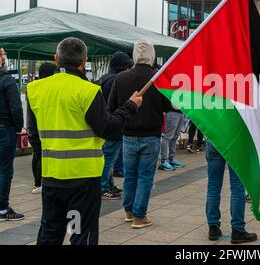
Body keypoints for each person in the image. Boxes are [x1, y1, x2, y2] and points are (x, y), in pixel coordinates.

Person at [27, 38, 142, 245]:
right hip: (82, 178)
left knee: (50, 231)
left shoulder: (35, 89)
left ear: (56, 59)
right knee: (79, 232)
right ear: (84, 61)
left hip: (51, 175)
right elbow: (106, 128)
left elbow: (33, 134)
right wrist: (130, 106)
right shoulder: (87, 91)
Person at [109, 40, 172, 229]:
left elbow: (112, 107)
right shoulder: (158, 78)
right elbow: (167, 106)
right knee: (145, 176)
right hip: (151, 135)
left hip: (128, 134)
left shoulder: (120, 78)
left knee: (130, 175)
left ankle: (128, 211)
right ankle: (139, 215)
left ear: (134, 55)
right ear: (152, 55)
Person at [205, 141, 258, 244]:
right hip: (234, 139)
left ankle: (213, 227)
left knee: (213, 186)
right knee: (237, 186)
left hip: (213, 137)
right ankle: (238, 229)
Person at [98, 51, 133, 200]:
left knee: (109, 158)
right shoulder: (115, 80)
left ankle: (109, 184)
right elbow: (117, 103)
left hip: (105, 123)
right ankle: (103, 186)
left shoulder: (104, 78)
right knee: (108, 158)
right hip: (114, 124)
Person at [0, 47, 25, 221]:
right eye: (2, 54)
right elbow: (16, 107)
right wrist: (19, 126)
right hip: (4, 128)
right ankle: (2, 208)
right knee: (4, 169)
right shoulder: (6, 80)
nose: (5, 57)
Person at [27, 62, 57, 195]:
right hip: (42, 127)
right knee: (42, 157)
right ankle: (39, 183)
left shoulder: (32, 87)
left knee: (37, 155)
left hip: (32, 127)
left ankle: (36, 182)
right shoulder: (46, 88)